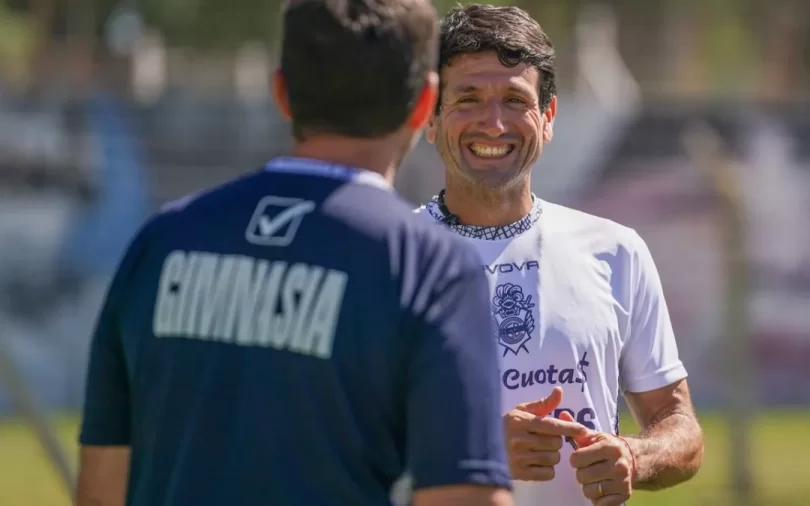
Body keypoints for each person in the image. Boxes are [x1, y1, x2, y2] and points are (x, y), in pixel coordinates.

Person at [74, 1, 514, 505]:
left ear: (282, 92)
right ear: (424, 103)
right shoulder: (430, 268)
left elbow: (101, 491)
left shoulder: (160, 242)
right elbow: (464, 498)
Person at [416, 5, 704, 506]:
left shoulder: (616, 251)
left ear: (547, 118)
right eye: (467, 98)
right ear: (431, 118)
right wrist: (477, 451)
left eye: (514, 99)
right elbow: (332, 440)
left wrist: (635, 457)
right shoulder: (390, 256)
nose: (493, 122)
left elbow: (680, 428)